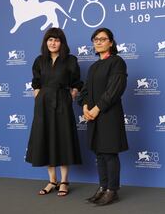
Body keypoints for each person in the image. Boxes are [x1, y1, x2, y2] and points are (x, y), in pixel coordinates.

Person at [25, 27, 83, 197]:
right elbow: (36, 81)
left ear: (62, 43)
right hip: (43, 104)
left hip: (62, 102)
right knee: (45, 138)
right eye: (50, 39)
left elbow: (77, 82)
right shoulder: (39, 60)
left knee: (63, 138)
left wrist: (72, 93)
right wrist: (38, 94)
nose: (53, 43)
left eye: (56, 40)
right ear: (46, 42)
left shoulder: (70, 60)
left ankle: (64, 181)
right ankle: (52, 180)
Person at [80, 27, 128, 206]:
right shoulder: (93, 66)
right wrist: (85, 106)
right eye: (95, 39)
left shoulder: (117, 62)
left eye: (102, 39)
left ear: (111, 42)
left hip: (108, 115)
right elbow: (85, 91)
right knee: (99, 153)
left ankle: (112, 190)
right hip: (93, 116)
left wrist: (97, 108)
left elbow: (114, 90)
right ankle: (102, 187)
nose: (98, 42)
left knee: (109, 153)